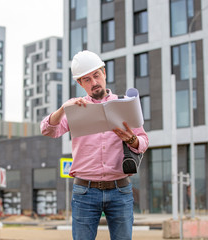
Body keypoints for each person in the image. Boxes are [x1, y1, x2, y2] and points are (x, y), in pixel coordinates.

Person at [41, 50, 149, 240]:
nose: (94, 83)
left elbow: (143, 142)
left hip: (120, 190)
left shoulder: (125, 104)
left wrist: (131, 139)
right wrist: (63, 109)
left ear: (104, 73)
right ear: (80, 83)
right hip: (85, 191)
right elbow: (48, 130)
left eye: (96, 76)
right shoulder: (75, 109)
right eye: (87, 80)